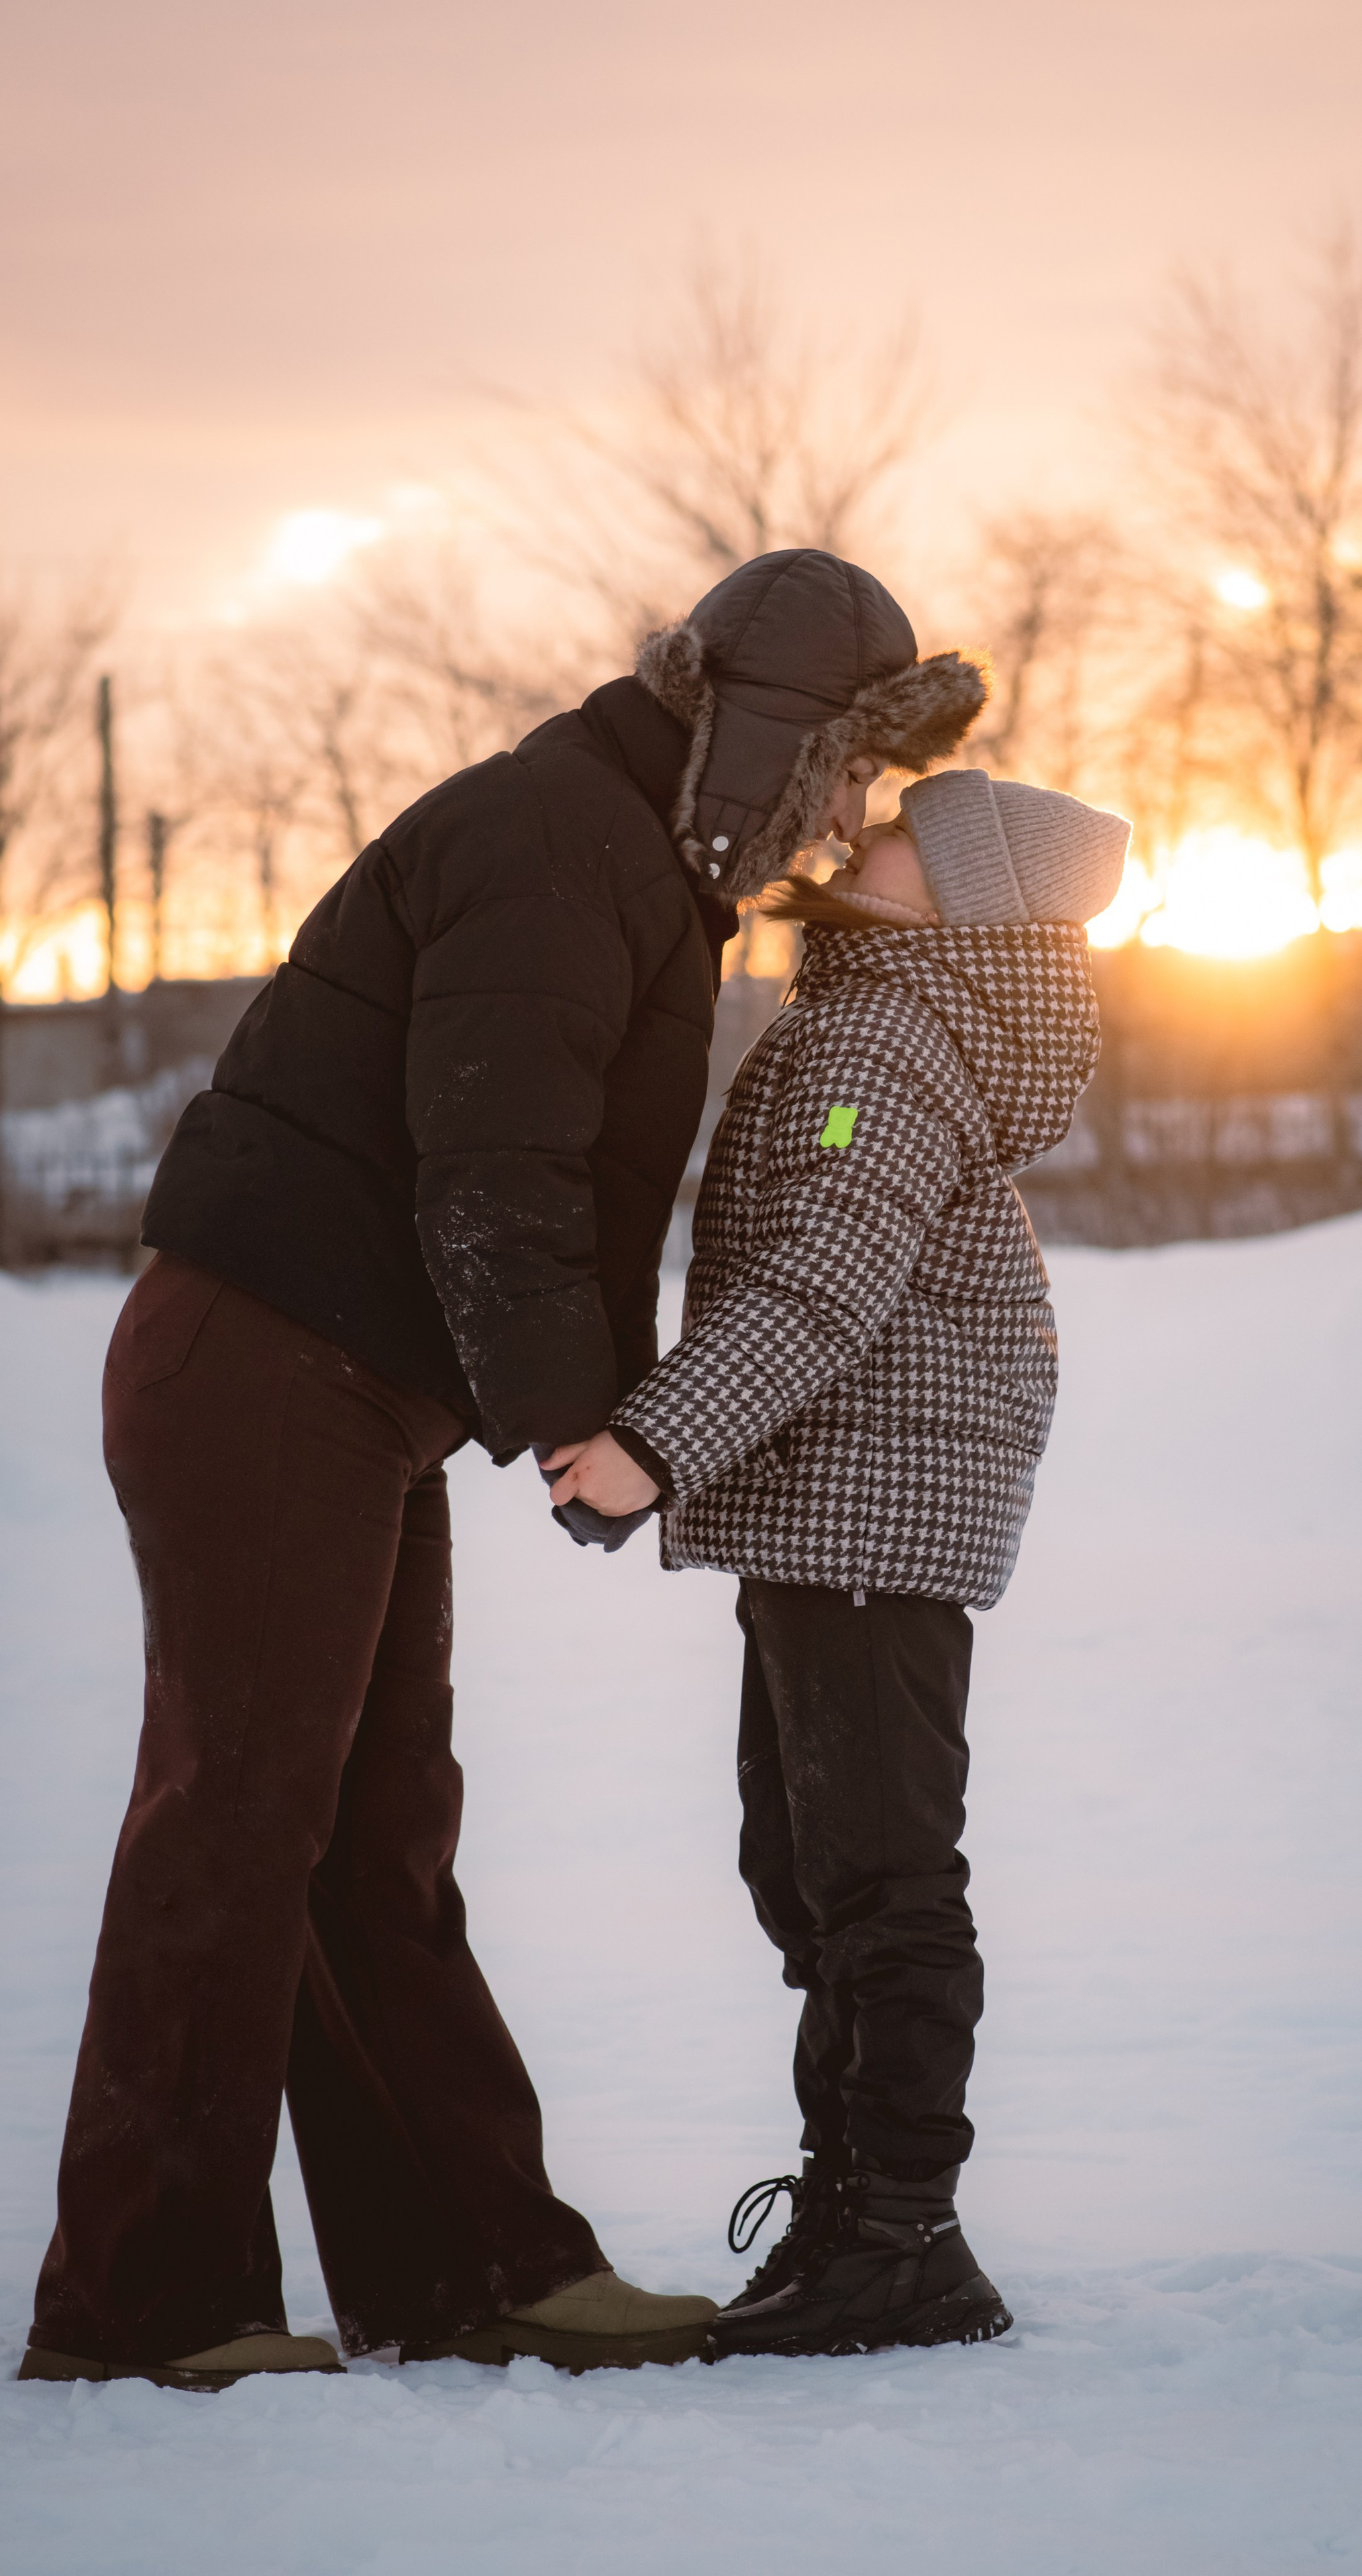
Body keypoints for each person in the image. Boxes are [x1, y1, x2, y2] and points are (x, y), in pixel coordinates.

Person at [19, 549, 987, 2392]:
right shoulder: (560, 842)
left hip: (345, 1379)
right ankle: (140, 2307)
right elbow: (496, 1169)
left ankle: (475, 2270)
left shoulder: (623, 854)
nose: (851, 816)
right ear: (770, 733)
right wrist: (580, 1418)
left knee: (380, 1842)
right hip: (262, 1360)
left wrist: (590, 1397)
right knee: (237, 1824)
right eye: (848, 771)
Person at [547, 765, 1128, 2358]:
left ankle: (900, 2241)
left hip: (867, 1509)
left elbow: (821, 1280)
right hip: (841, 1507)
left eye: (900, 830)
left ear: (957, 891)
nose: (860, 830)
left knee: (873, 1878)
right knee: (806, 1871)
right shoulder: (878, 1016)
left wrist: (650, 1446)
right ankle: (855, 2203)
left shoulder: (881, 1041)